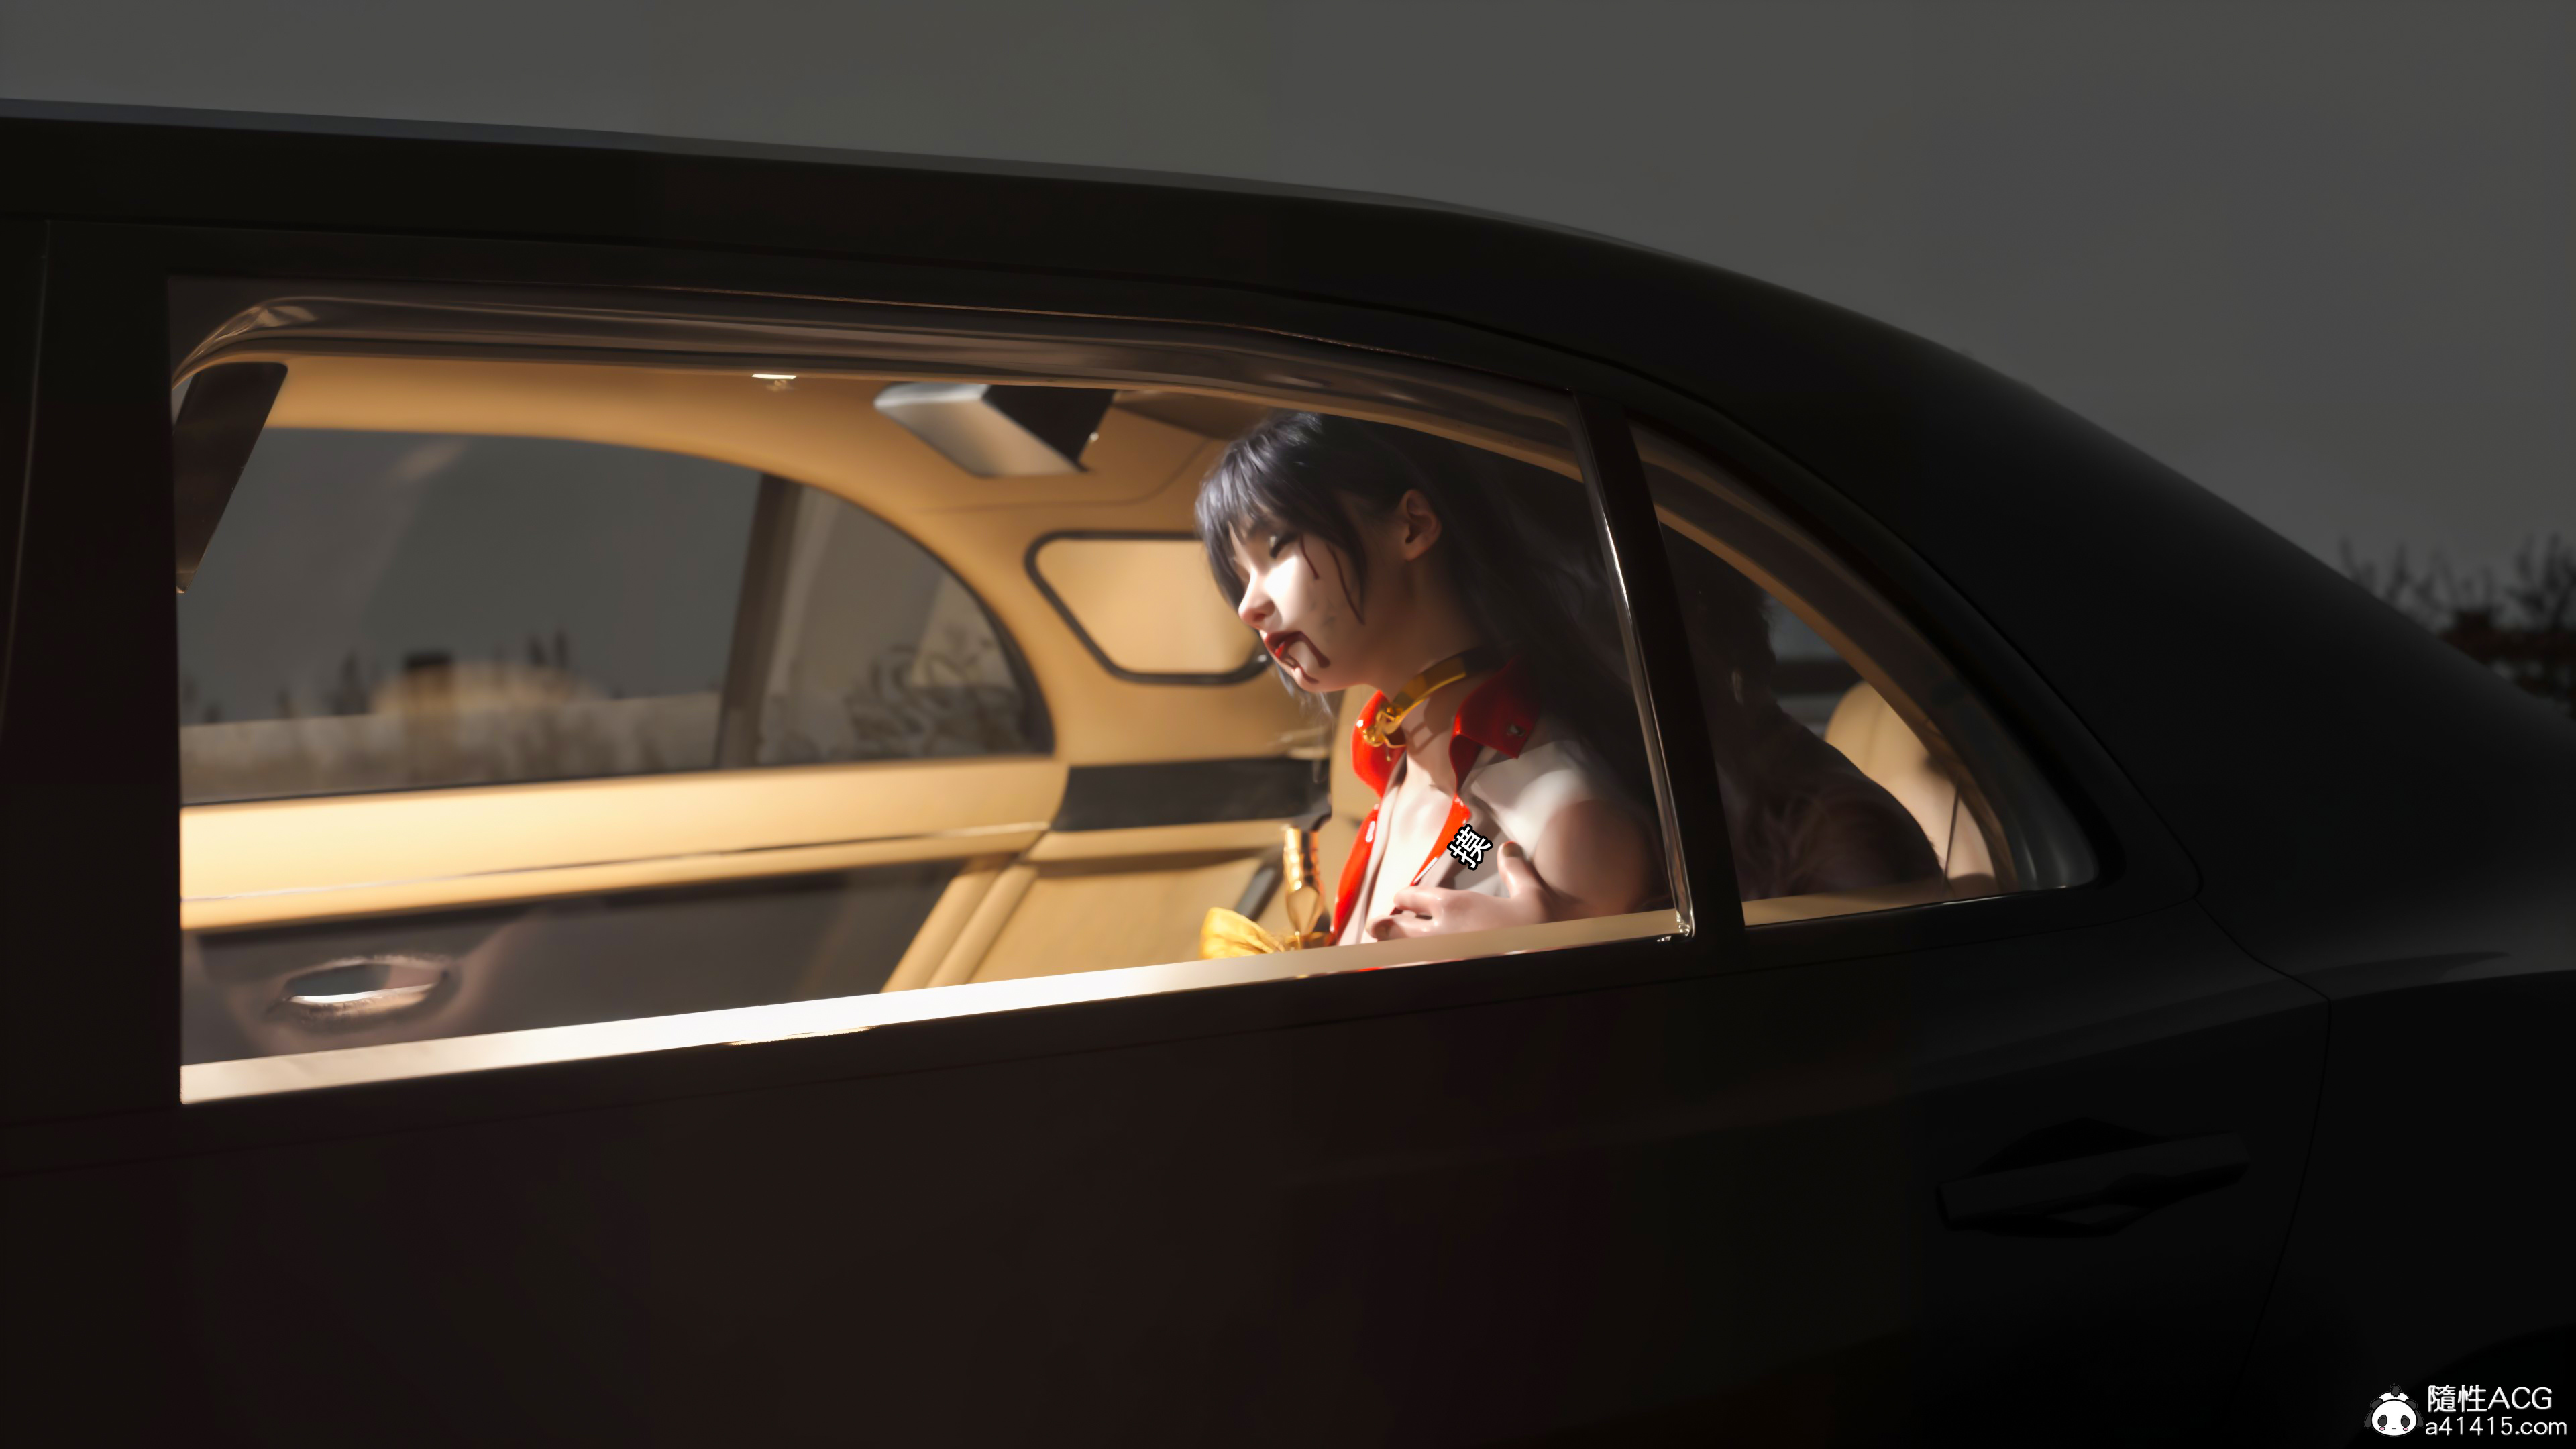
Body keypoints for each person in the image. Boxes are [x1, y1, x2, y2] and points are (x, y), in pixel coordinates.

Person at [1197, 412, 1664, 944]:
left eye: (1278, 548)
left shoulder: (1570, 823)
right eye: (1242, 578)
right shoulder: (1412, 780)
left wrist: (1532, 958)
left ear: (1412, 526)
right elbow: (1474, 845)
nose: (1249, 607)